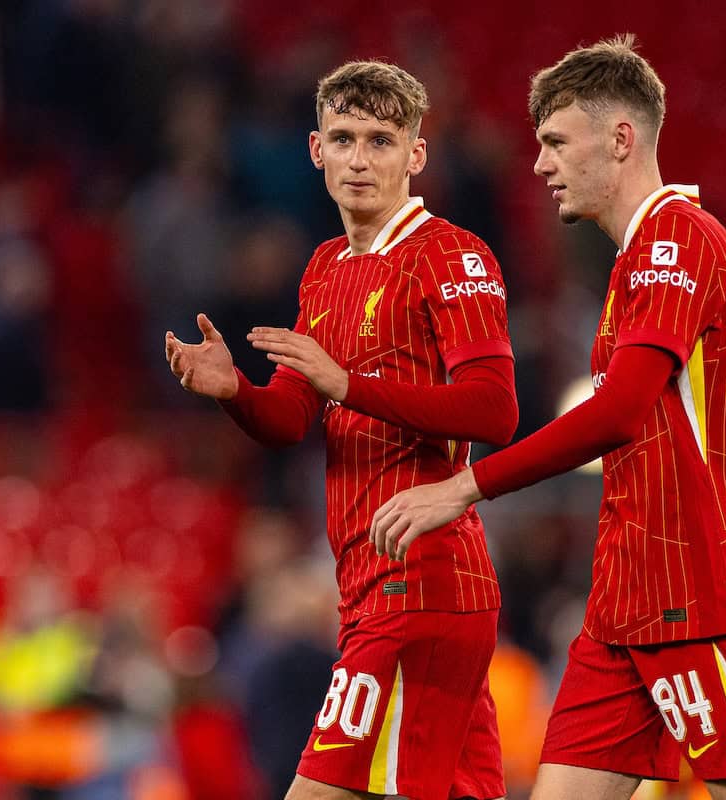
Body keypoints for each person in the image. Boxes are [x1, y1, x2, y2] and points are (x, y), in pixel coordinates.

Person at [371, 37, 726, 799]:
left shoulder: (674, 241)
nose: (539, 164)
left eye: (555, 141)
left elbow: (619, 412)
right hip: (625, 605)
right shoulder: (645, 259)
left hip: (695, 596)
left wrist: (462, 487)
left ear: (620, 138)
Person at [164, 60, 515, 800]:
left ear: (415, 156)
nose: (360, 159)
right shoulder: (324, 267)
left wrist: (347, 385)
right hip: (368, 586)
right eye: (345, 138)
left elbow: (494, 409)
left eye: (382, 141)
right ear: (316, 149)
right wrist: (235, 393)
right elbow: (292, 415)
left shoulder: (451, 255)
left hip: (421, 582)